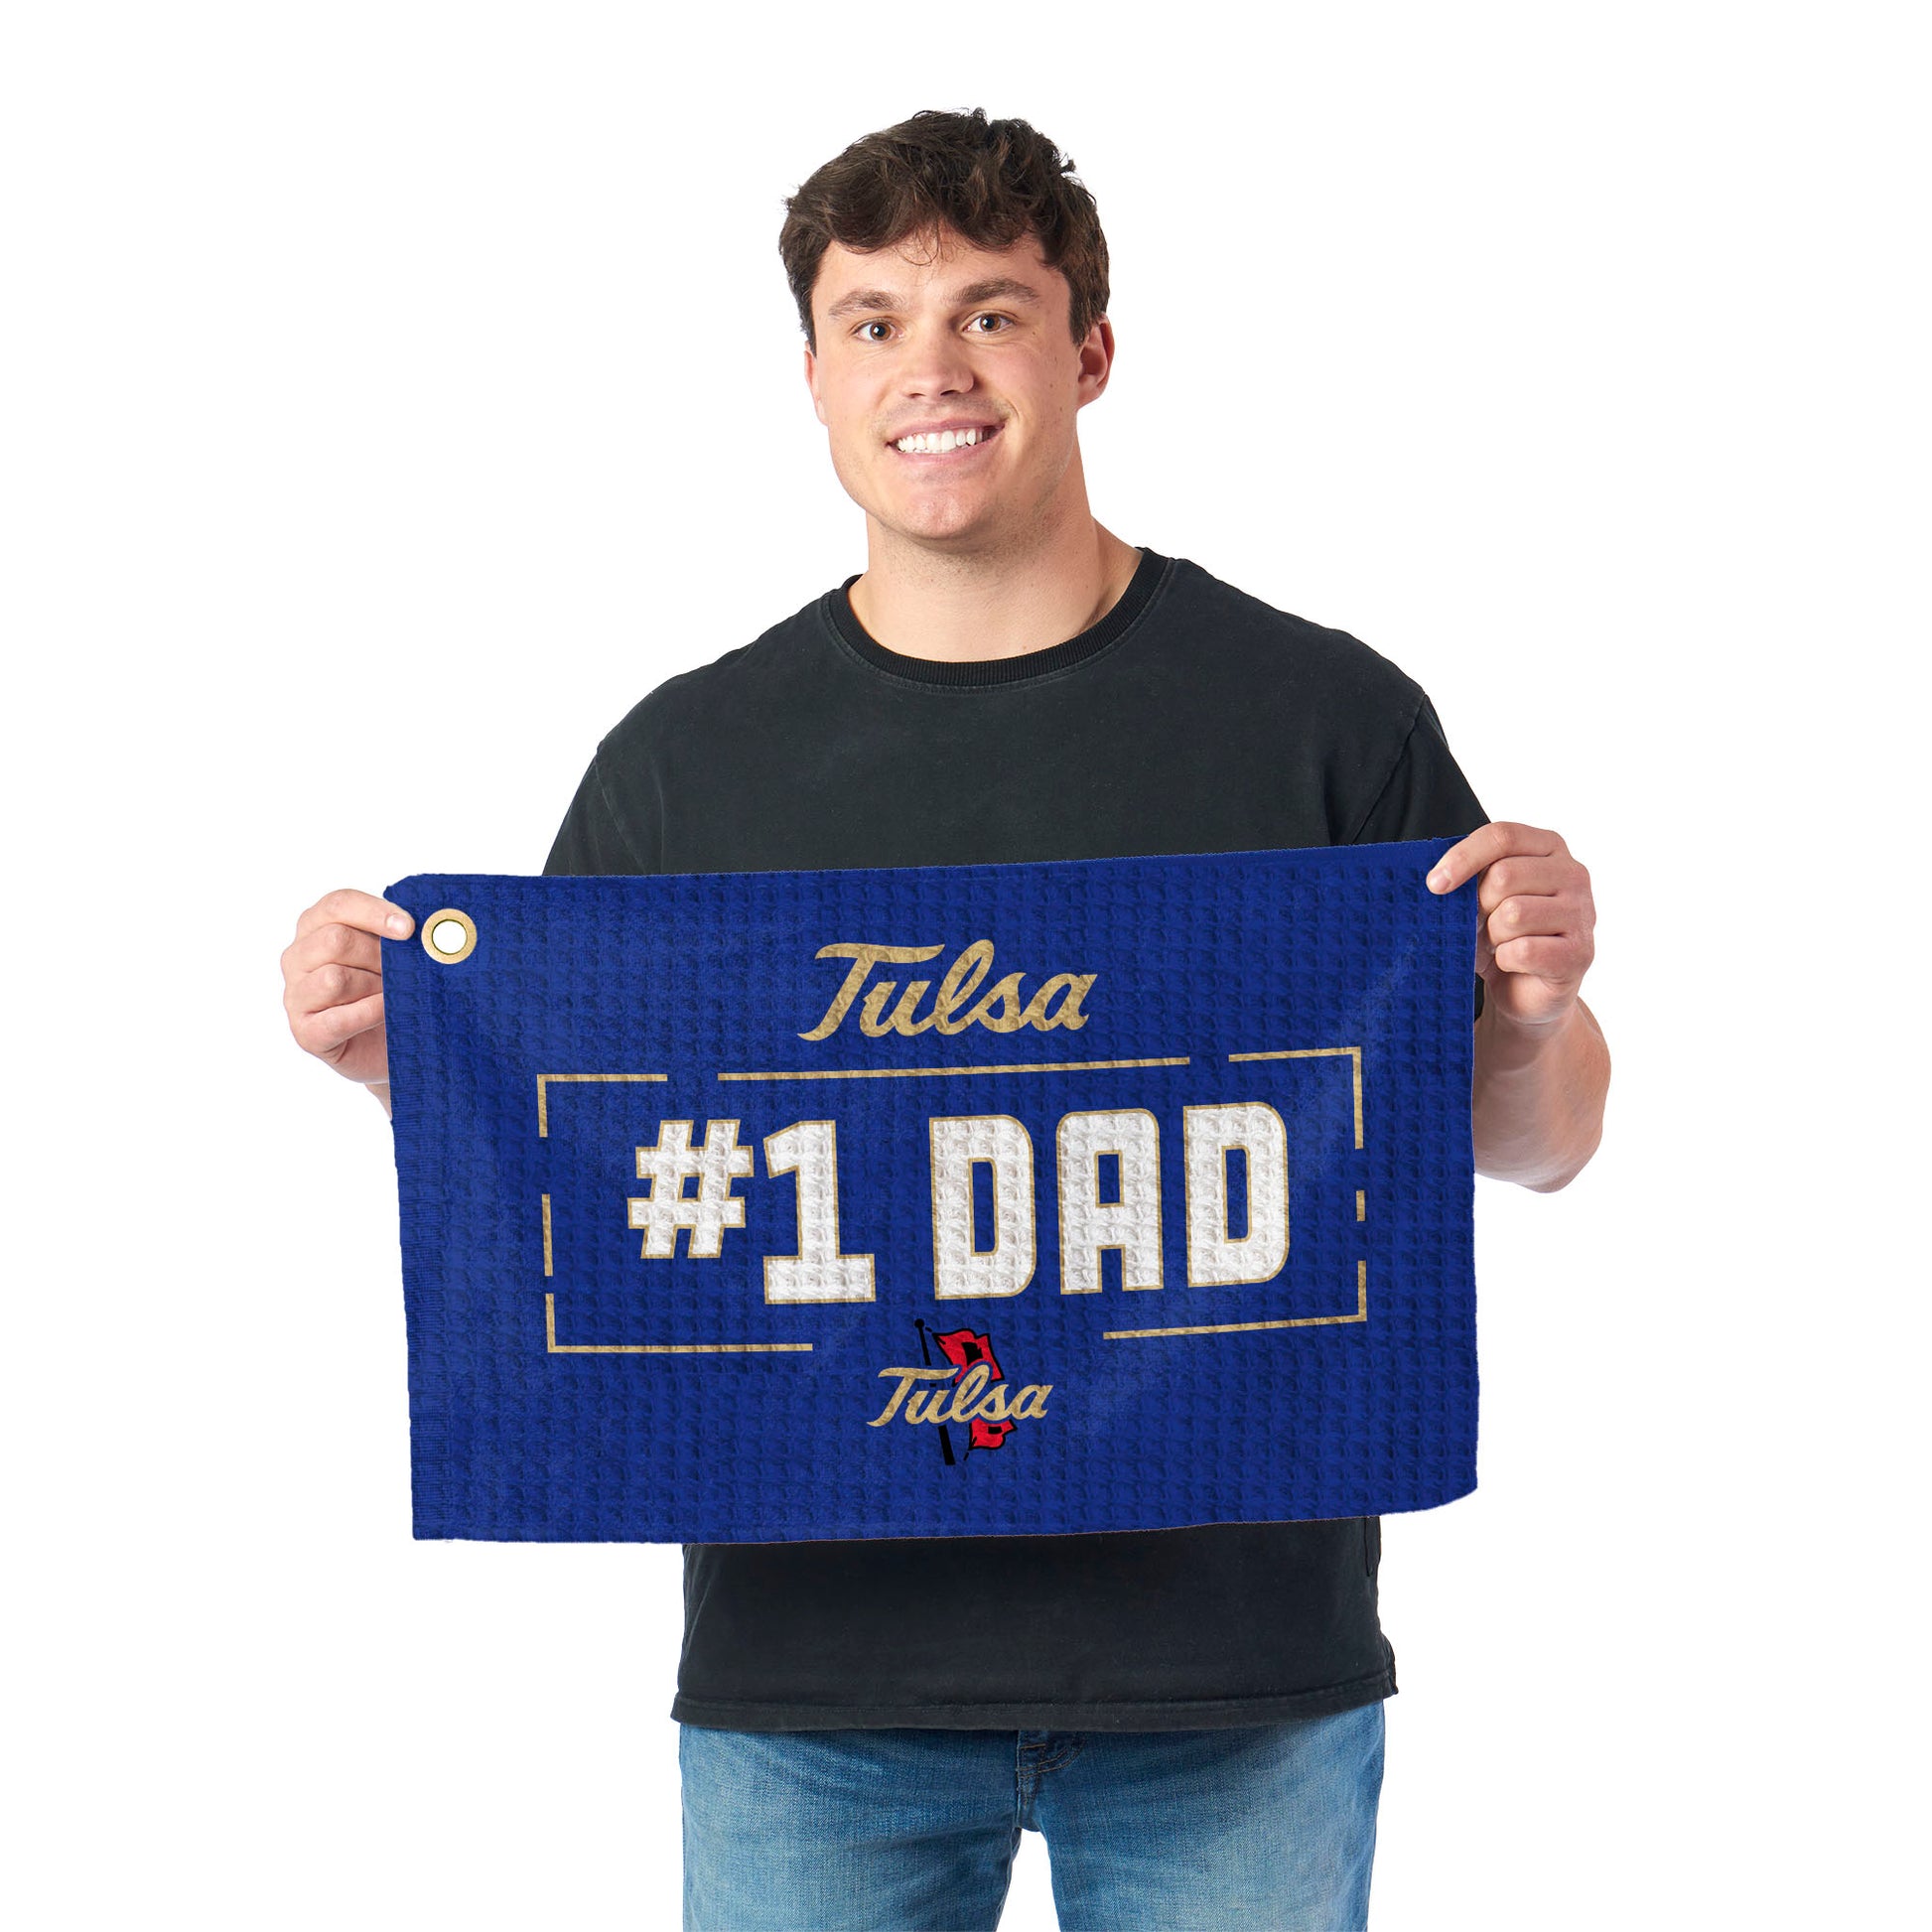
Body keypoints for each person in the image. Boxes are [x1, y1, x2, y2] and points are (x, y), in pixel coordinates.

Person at [282, 108, 1608, 1932]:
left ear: (1089, 350)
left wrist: (1528, 1016)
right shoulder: (688, 762)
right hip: (812, 1690)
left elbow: (1541, 1140)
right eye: (874, 321)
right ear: (814, 375)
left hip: (1237, 1677)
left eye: (990, 312)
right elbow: (596, 1171)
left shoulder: (1318, 714)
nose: (933, 368)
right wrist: (410, 1069)